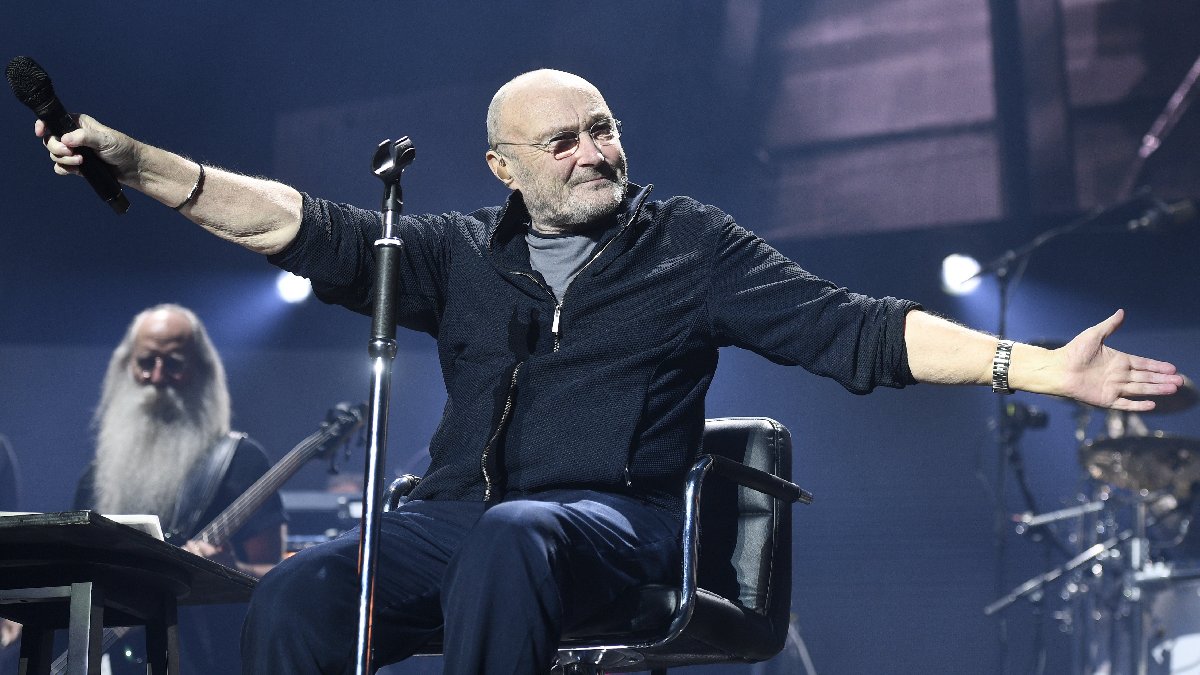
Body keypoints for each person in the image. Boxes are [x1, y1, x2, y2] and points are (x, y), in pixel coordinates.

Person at [33, 69, 1182, 674]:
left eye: (604, 128)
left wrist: (1036, 366)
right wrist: (139, 162)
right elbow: (295, 224)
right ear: (504, 167)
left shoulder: (689, 246)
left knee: (517, 534)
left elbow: (858, 329)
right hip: (458, 518)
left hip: (614, 525)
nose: (596, 151)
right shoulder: (453, 254)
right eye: (564, 140)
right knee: (296, 594)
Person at [72, 304, 287, 674]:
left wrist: (232, 569)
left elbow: (276, 579)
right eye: (146, 362)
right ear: (126, 367)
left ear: (201, 371)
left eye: (173, 363)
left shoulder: (239, 462)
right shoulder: (97, 477)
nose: (157, 377)